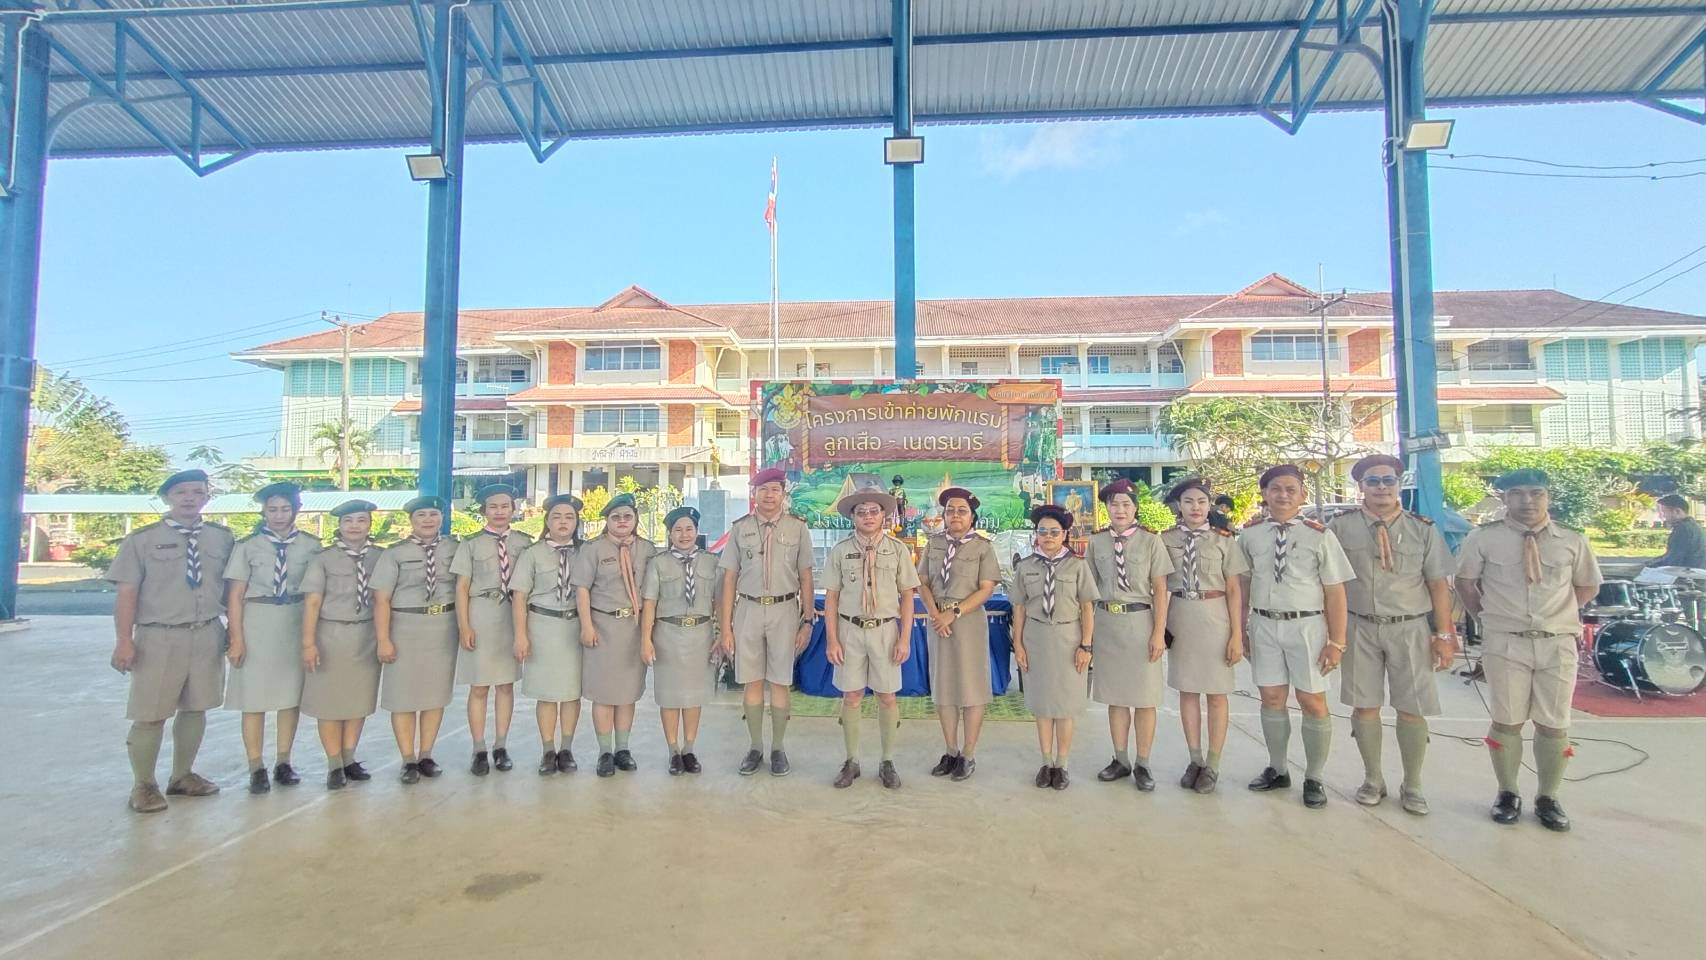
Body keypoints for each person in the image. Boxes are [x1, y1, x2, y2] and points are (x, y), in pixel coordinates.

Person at [1456, 468, 1602, 832]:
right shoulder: (1483, 538)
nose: (1527, 501)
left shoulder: (1572, 539)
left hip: (1556, 642)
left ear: (1548, 497)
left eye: (1536, 493)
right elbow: (1465, 583)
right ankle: (1507, 792)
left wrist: (1558, 614)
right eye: (1517, 493)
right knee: (1506, 719)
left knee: (1554, 723)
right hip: (1506, 641)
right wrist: (1488, 618)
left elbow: (1586, 586)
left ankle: (1548, 797)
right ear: (1504, 498)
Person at [1327, 456, 1457, 815]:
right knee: (1364, 705)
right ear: (1361, 487)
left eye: (1388, 480)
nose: (1381, 487)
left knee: (1412, 708)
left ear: (1399, 484)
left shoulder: (1422, 528)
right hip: (1359, 626)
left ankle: (1412, 784)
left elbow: (1438, 584)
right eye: (1373, 481)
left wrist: (1444, 634)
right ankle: (1373, 778)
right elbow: (1329, 583)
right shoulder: (1340, 528)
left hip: (1410, 627)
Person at [109, 469, 236, 813]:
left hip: (207, 632)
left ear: (207, 497)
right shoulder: (142, 540)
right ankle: (144, 784)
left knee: (196, 707)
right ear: (167, 497)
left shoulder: (221, 539)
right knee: (150, 713)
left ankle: (182, 775)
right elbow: (126, 593)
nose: (190, 498)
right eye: (181, 492)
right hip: (158, 635)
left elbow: (232, 589)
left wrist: (235, 631)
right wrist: (123, 640)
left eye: (197, 492)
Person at [1240, 464, 1355, 809]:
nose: (1283, 495)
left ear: (1303, 494)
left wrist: (1337, 641)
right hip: (1264, 624)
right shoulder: (1250, 535)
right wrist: (1241, 630)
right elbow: (1242, 586)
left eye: (1291, 489)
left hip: (1307, 626)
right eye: (1275, 488)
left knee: (1312, 700)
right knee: (1271, 697)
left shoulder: (1319, 535)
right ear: (1264, 494)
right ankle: (1278, 768)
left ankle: (1314, 777)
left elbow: (1335, 591)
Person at [222, 481, 319, 794]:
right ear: (263, 511)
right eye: (272, 509)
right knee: (254, 699)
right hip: (257, 622)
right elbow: (235, 596)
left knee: (290, 697)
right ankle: (256, 766)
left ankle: (283, 761)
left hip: (294, 622)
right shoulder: (247, 546)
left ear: (295, 511)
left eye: (285, 509)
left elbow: (316, 592)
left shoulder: (310, 545)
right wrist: (236, 638)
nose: (279, 515)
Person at [718, 467, 814, 777]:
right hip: (748, 609)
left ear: (783, 494)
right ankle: (756, 747)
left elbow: (806, 576)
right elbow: (729, 578)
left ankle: (778, 748)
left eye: (775, 489)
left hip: (784, 611)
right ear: (754, 494)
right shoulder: (740, 528)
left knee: (781, 681)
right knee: (752, 681)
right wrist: (726, 627)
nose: (769, 495)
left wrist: (808, 620)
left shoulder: (798, 528)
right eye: (763, 489)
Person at [824, 482, 919, 789]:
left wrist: (904, 638)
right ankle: (851, 761)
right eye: (861, 512)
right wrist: (832, 639)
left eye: (874, 511)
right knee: (851, 696)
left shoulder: (898, 550)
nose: (868, 516)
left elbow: (908, 596)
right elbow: (832, 598)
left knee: (887, 696)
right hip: (850, 631)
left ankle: (887, 761)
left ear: (883, 515)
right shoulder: (840, 551)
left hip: (885, 631)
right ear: (853, 517)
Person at [1086, 478, 1174, 791]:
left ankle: (1143, 763)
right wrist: (1088, 637)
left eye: (1126, 504)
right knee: (1116, 697)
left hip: (1141, 623)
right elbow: (1089, 591)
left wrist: (1158, 633)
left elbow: (1160, 589)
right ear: (1106, 508)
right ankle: (1120, 759)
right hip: (1108, 623)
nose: (1120, 510)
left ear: (1135, 507)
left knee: (1145, 699)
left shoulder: (1151, 541)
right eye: (1114, 504)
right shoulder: (1097, 542)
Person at [1160, 478, 1246, 794]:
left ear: (1209, 505)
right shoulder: (1166, 540)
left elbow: (1234, 590)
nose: (1195, 507)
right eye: (1188, 501)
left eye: (1201, 501)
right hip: (1181, 615)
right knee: (1187, 690)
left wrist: (1237, 634)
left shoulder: (1224, 541)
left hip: (1215, 616)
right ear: (1179, 506)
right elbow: (1158, 585)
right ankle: (1194, 759)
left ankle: (1213, 764)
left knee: (1217, 693)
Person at [1009, 503, 1099, 790]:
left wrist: (1086, 646)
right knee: (1042, 705)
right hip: (1036, 638)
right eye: (1042, 531)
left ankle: (1062, 764)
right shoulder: (1026, 566)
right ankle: (1046, 762)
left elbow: (1087, 608)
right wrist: (1018, 645)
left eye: (1054, 532)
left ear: (1065, 534)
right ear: (1036, 534)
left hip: (1068, 638)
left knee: (1065, 706)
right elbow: (1019, 609)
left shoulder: (1078, 565)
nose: (1048, 537)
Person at [371, 496, 460, 784]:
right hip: (405, 627)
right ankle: (408, 759)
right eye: (421, 515)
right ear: (411, 520)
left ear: (442, 518)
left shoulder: (455, 548)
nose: (428, 520)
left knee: (435, 695)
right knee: (404, 696)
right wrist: (383, 639)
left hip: (442, 627)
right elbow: (381, 599)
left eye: (433, 514)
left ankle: (426, 755)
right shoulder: (395, 554)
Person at [916, 487, 1000, 781]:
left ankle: (968, 754)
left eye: (962, 511)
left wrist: (953, 613)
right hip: (938, 621)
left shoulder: (982, 547)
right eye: (950, 510)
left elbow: (986, 589)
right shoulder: (934, 543)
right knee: (944, 688)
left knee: (972, 688)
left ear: (972, 516)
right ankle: (951, 751)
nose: (955, 515)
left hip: (967, 621)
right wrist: (935, 613)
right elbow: (922, 581)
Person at [299, 499, 384, 790]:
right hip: (331, 635)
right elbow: (312, 602)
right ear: (339, 525)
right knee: (330, 703)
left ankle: (349, 758)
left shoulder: (380, 557)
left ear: (370, 525)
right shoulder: (323, 559)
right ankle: (334, 763)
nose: (355, 526)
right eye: (348, 521)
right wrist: (308, 643)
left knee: (358, 701)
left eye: (361, 520)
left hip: (366, 636)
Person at [574, 492, 657, 778]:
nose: (622, 521)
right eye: (615, 517)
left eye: (627, 516)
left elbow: (652, 593)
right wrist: (587, 626)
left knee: (627, 694)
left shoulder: (647, 549)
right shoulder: (593, 549)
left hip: (633, 629)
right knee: (604, 694)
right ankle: (605, 752)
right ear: (607, 521)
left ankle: (623, 749)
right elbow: (582, 589)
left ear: (635, 520)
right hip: (603, 627)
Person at [451, 483, 532, 775]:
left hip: (512, 616)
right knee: (479, 686)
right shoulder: (470, 544)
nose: (499, 512)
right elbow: (461, 588)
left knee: (506, 686)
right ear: (484, 510)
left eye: (505, 506)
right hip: (481, 614)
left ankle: (500, 746)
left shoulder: (524, 542)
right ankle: (479, 748)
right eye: (493, 507)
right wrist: (464, 626)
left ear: (513, 509)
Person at [641, 506, 722, 775]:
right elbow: (649, 603)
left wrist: (721, 633)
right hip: (668, 636)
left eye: (689, 529)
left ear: (697, 531)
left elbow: (720, 601)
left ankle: (689, 749)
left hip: (700, 635)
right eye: (678, 530)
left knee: (694, 696)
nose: (684, 535)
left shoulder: (711, 562)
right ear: (670, 534)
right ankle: (673, 750)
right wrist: (646, 639)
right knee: (670, 696)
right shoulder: (658, 563)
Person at [510, 494, 586, 776]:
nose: (563, 522)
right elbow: (519, 597)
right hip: (541, 626)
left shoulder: (585, 553)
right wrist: (521, 636)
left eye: (569, 517)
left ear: (576, 522)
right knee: (546, 694)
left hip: (574, 628)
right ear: (547, 521)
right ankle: (548, 749)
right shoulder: (532, 553)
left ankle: (566, 749)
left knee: (571, 693)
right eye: (557, 517)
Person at [1647, 494, 1706, 570]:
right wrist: (1650, 562)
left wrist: (1647, 566)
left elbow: (1673, 560)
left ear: (1677, 511)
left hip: (1686, 573)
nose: (1662, 516)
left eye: (1664, 512)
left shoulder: (1683, 529)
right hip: (1695, 571)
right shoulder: (1693, 525)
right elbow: (1671, 555)